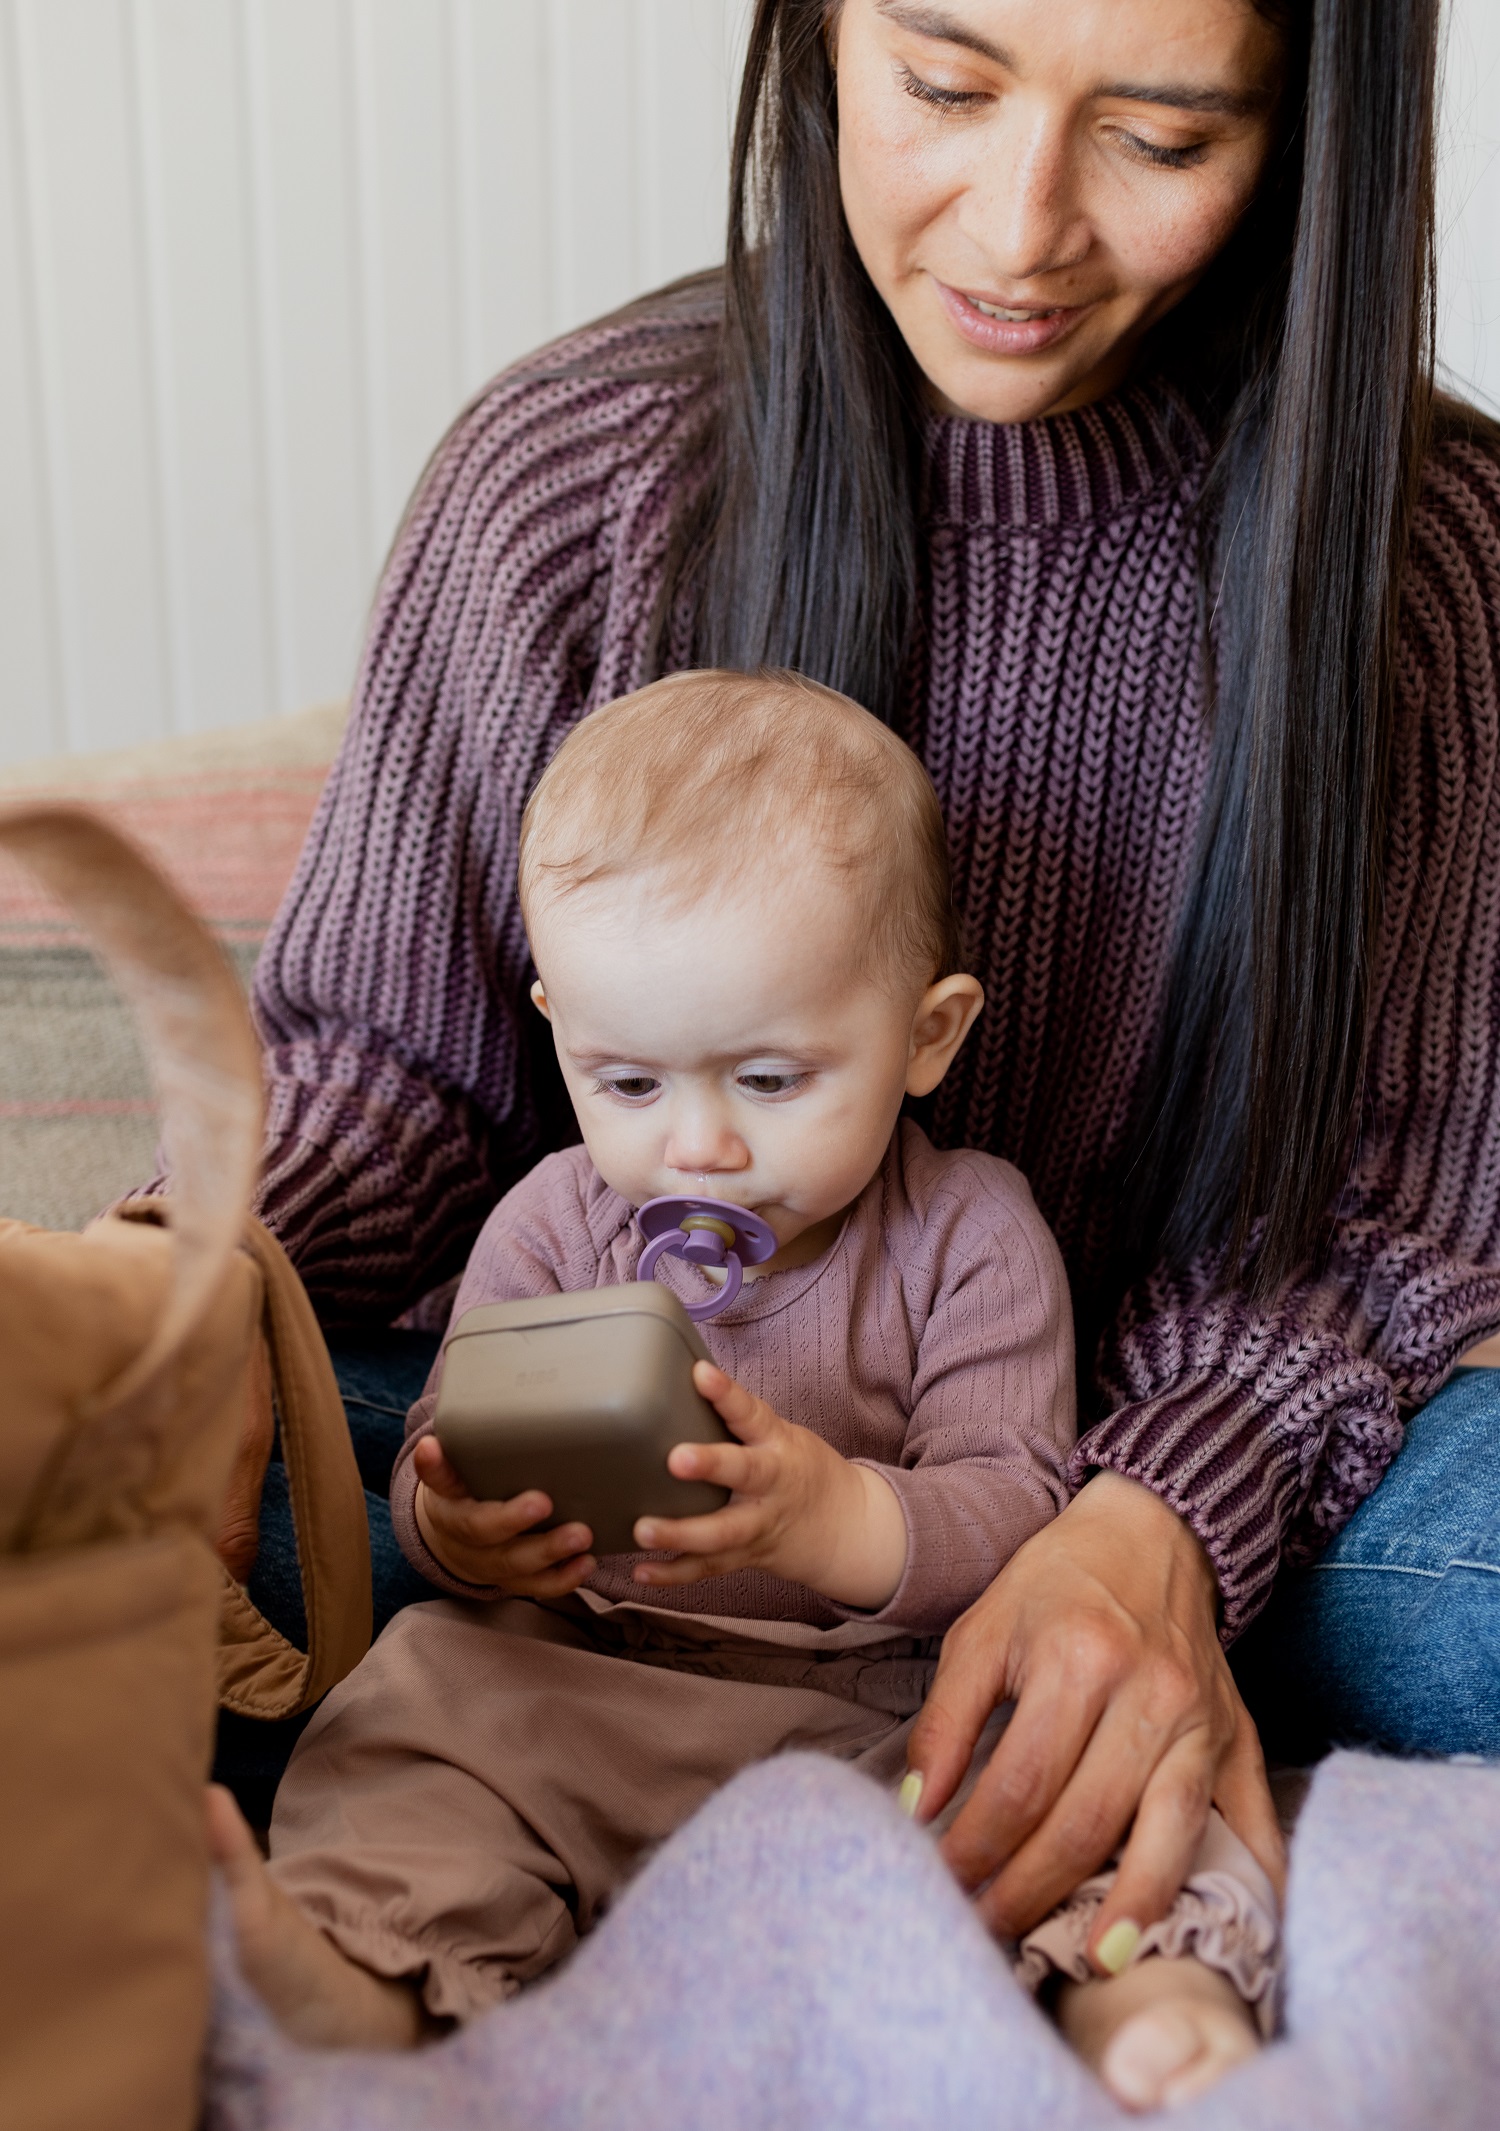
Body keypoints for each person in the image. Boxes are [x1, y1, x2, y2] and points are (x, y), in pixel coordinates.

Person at [216, 0, 1500, 2080]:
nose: (1018, 225)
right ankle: (371, 1936)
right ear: (815, 37)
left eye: (1160, 138)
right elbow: (393, 1080)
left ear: (1309, 139)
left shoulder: (1431, 575)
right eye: (943, 82)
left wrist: (1146, 1517)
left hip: (1182, 1474)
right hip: (602, 1612)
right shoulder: (575, 475)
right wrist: (176, 1301)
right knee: (196, 1504)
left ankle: (1140, 1927)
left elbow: (1397, 1230)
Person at [212, 672, 1280, 2111]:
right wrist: (459, 1528)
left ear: (928, 1034)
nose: (698, 1147)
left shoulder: (971, 1232)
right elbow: (434, 1452)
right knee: (417, 1704)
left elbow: (1015, 1508)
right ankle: (363, 1973)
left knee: (1090, 1761)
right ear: (557, 1026)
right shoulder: (549, 1222)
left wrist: (820, 1513)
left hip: (882, 1711)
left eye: (771, 1079)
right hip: (587, 1683)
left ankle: (1140, 1996)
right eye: (630, 1082)